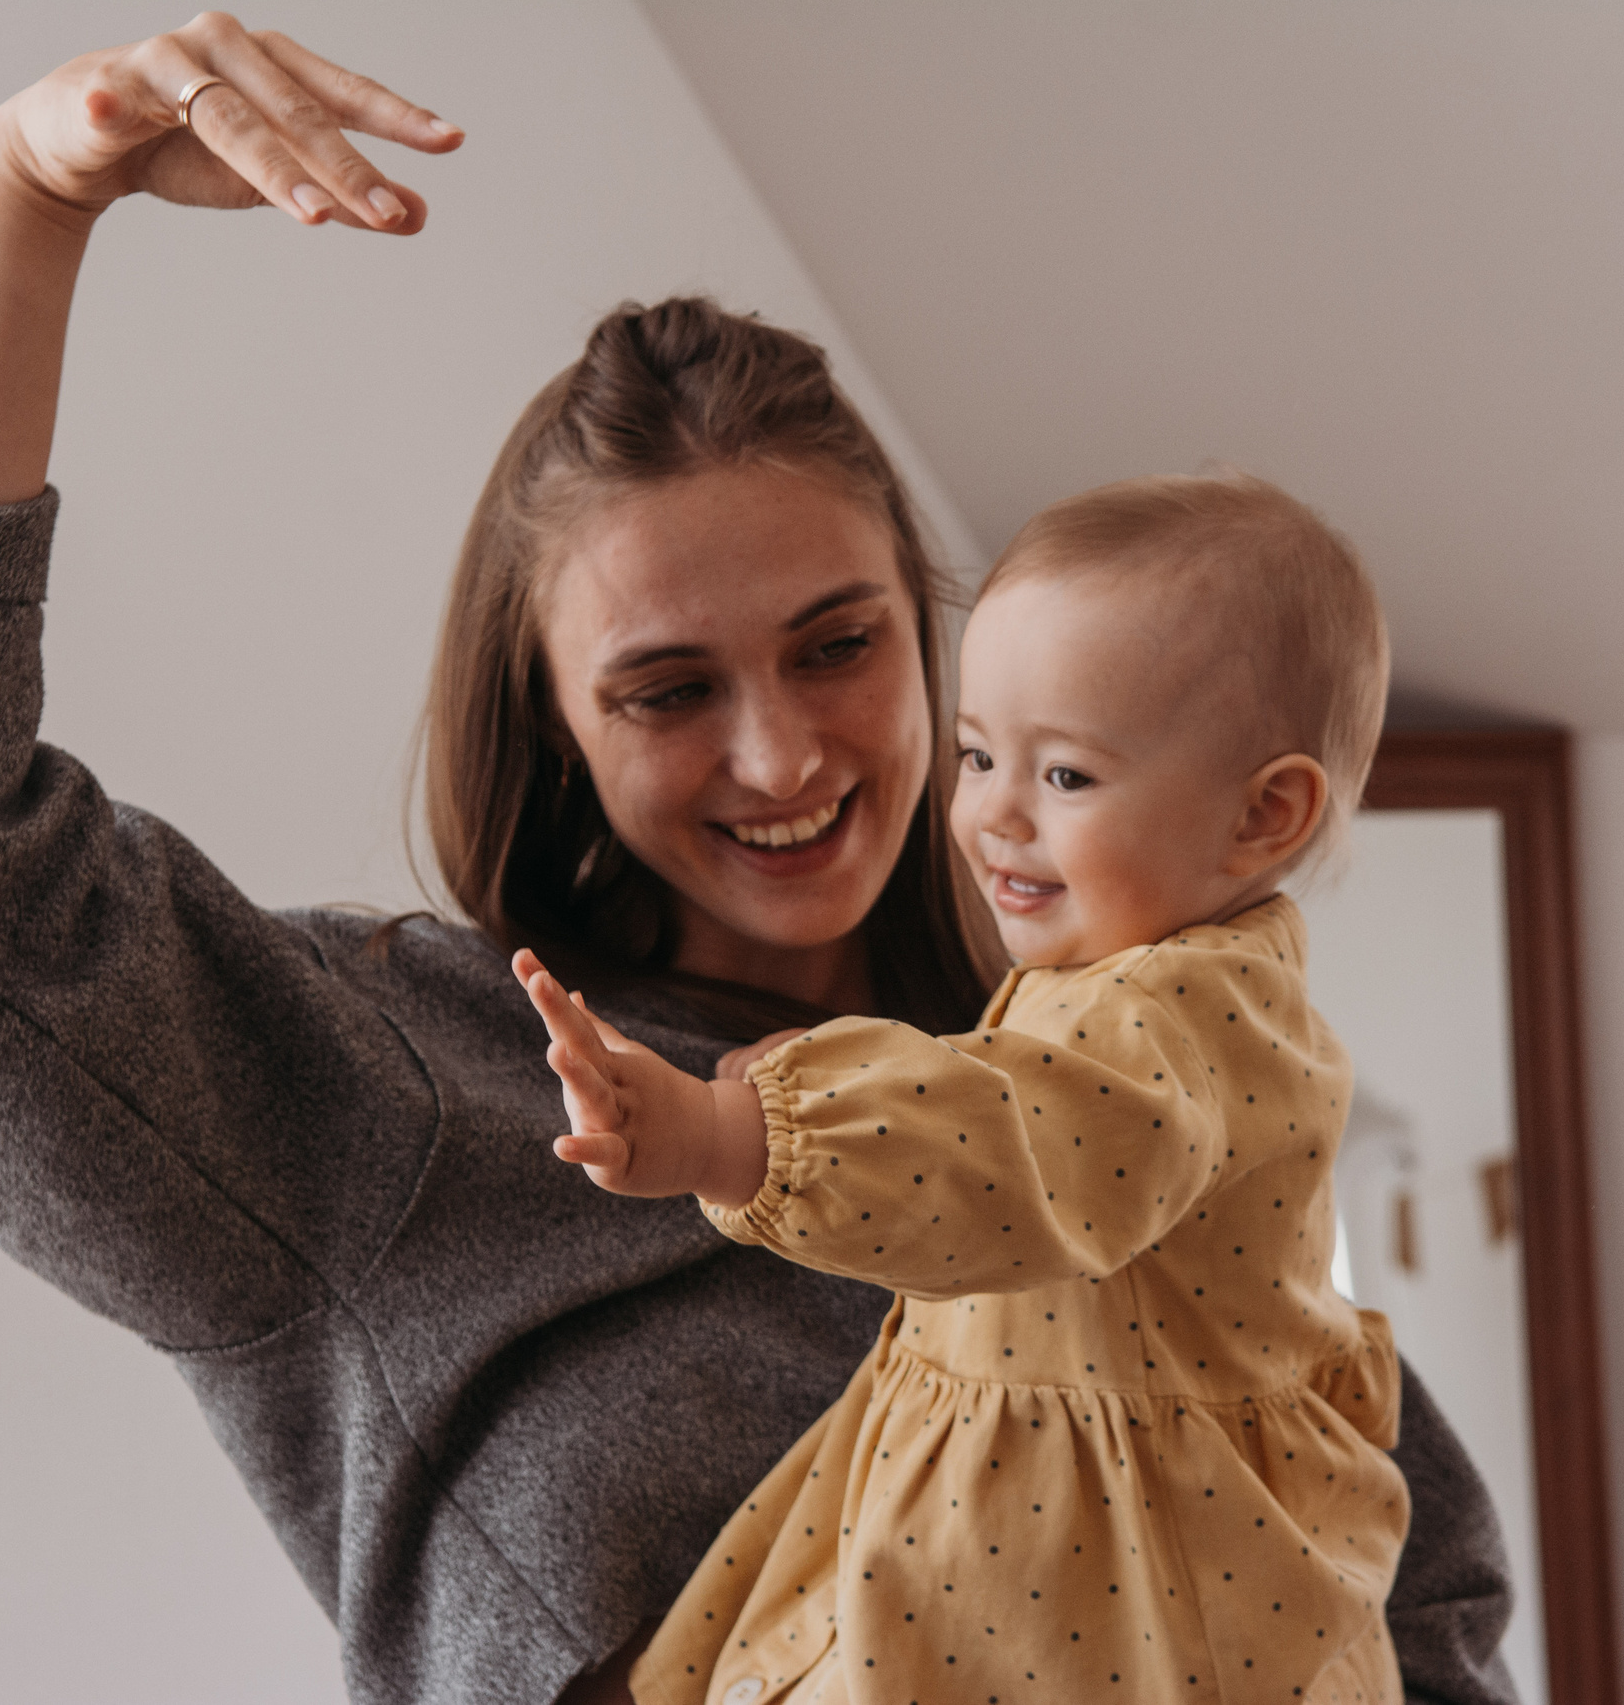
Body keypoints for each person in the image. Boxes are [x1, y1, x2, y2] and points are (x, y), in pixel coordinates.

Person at [0, 17, 1519, 1705]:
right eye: (669, 688)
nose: (783, 754)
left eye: (839, 645)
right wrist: (26, 206)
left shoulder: (1112, 1088)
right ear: (555, 726)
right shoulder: (410, 1085)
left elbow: (1420, 1587)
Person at [516, 473, 1409, 1703]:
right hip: (997, 1513)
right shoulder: (1131, 978)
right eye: (980, 753)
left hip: (1123, 1589)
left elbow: (1023, 1147)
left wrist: (734, 1131)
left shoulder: (1192, 1012)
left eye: (1067, 779)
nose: (991, 813)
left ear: (1264, 815)